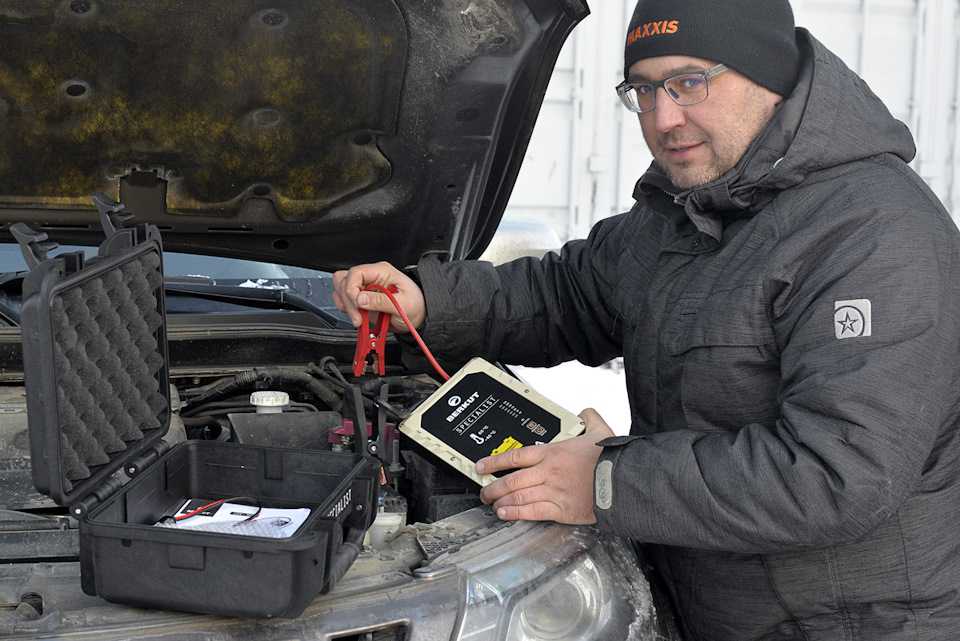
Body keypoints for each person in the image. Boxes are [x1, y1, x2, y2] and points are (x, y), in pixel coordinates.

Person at [333, 0, 960, 638]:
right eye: (643, 90)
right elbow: (564, 296)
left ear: (769, 75)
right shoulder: (684, 211)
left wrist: (608, 482)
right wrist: (428, 302)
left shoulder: (874, 232)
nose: (664, 118)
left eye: (689, 82)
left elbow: (838, 474)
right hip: (704, 605)